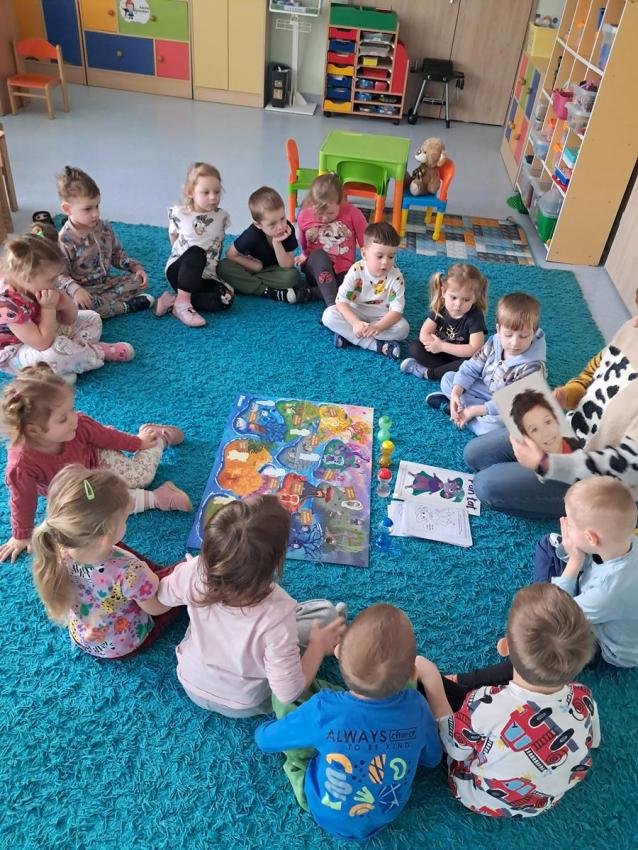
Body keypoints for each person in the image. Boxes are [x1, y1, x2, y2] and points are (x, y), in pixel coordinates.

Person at [254, 604, 441, 842]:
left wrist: (262, 731)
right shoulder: (417, 708)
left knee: (285, 698)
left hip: (322, 808)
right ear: (413, 674)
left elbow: (266, 741)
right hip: (385, 813)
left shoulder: (324, 709)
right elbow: (432, 758)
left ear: (339, 654)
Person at [417, 584, 600, 819]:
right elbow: (594, 739)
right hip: (544, 800)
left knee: (430, 694)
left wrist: (431, 679)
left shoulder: (483, 703)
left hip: (482, 798)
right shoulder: (583, 697)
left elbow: (453, 748)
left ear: (504, 647)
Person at [157, 496, 346, 718]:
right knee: (325, 613)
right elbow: (288, 693)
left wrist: (186, 575)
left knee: (198, 610)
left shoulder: (194, 570)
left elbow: (161, 595)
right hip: (243, 704)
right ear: (277, 560)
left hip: (191, 682)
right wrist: (317, 647)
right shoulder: (278, 611)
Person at [463, 298, 638, 518]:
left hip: (599, 482)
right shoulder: (632, 329)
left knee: (485, 486)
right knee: (474, 454)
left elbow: (628, 466)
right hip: (568, 436)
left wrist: (545, 464)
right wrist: (567, 395)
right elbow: (590, 375)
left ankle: (585, 511)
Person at [0, 363, 190, 563]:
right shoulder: (21, 465)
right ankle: (156, 498)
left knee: (141, 477)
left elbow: (108, 437)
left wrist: (139, 442)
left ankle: (158, 438)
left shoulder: (79, 425)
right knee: (89, 519)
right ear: (34, 430)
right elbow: (22, 499)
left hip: (98, 459)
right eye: (63, 419)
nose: (74, 418)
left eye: (72, 409)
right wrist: (21, 535)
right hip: (75, 489)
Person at [31, 465, 177, 659]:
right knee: (182, 575)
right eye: (124, 520)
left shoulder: (57, 550)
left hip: (84, 635)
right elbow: (156, 608)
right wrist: (161, 583)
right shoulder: (130, 572)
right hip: (125, 643)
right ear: (104, 537)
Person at [0, 229, 133, 381]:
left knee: (92, 318)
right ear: (26, 277)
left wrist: (65, 304)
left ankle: (70, 360)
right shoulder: (7, 305)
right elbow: (42, 343)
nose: (56, 283)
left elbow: (69, 320)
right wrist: (48, 308)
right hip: (16, 351)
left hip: (45, 330)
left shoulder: (37, 285)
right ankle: (99, 352)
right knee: (54, 353)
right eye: (51, 279)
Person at [534, 477, 638, 669]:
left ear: (591, 538)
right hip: (606, 600)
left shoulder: (607, 592)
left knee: (549, 632)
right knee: (548, 544)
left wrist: (574, 562)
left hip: (605, 647)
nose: (565, 524)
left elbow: (559, 615)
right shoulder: (626, 539)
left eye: (571, 524)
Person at [426, 292, 546, 435]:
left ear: (533, 332)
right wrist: (456, 393)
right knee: (448, 379)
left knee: (495, 426)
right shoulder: (494, 341)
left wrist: (474, 410)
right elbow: (471, 367)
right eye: (508, 335)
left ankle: (459, 412)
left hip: (510, 404)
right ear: (498, 329)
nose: (515, 343)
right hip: (484, 390)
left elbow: (512, 402)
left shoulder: (534, 366)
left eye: (523, 336)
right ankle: (461, 408)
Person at [56, 166, 153, 318]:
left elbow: (117, 254)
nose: (96, 214)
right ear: (67, 209)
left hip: (105, 283)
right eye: (87, 209)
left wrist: (136, 268)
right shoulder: (64, 239)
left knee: (137, 281)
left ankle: (104, 306)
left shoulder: (104, 227)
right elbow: (59, 275)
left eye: (97, 206)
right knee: (72, 306)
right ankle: (125, 307)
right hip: (82, 291)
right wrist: (76, 290)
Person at [156, 162, 235, 327]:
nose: (213, 197)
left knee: (226, 298)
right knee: (196, 253)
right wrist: (183, 257)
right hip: (180, 271)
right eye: (206, 192)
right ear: (190, 192)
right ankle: (182, 304)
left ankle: (172, 301)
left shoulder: (222, 217)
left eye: (217, 192)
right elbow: (173, 235)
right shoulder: (180, 213)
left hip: (206, 274)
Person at [321, 221, 409, 361]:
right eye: (379, 256)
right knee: (328, 315)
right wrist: (355, 323)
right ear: (364, 253)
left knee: (403, 328)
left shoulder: (396, 277)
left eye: (391, 256)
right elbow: (341, 301)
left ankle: (349, 336)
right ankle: (377, 346)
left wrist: (378, 327)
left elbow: (396, 312)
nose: (385, 262)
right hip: (356, 312)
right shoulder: (356, 270)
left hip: (381, 317)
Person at [217, 186, 307, 303]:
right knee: (222, 267)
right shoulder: (252, 234)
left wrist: (277, 243)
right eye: (272, 224)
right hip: (250, 268)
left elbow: (287, 265)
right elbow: (230, 253)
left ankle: (243, 284)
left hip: (275, 270)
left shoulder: (287, 229)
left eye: (282, 218)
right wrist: (255, 266)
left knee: (293, 276)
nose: (280, 226)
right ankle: (266, 291)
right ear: (258, 225)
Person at [400, 263, 488, 380]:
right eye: (454, 298)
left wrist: (442, 346)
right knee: (415, 347)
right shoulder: (440, 308)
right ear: (444, 292)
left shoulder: (475, 316)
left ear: (475, 298)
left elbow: (475, 349)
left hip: (460, 356)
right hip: (438, 353)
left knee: (473, 362)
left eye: (466, 299)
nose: (458, 304)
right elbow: (424, 334)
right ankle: (446, 371)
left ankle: (429, 373)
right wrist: (435, 346)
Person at [295, 173, 367, 307]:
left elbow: (366, 243)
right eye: (319, 214)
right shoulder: (304, 215)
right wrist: (304, 254)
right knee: (319, 254)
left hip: (343, 271)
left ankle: (312, 293)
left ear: (341, 202)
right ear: (312, 204)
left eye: (330, 213)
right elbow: (302, 240)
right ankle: (332, 306)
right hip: (317, 271)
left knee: (360, 286)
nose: (324, 218)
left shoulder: (353, 214)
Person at [510, 389, 581, 454]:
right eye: (534, 429)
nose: (546, 433)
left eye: (547, 422)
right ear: (528, 439)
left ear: (556, 420)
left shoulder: (579, 447)